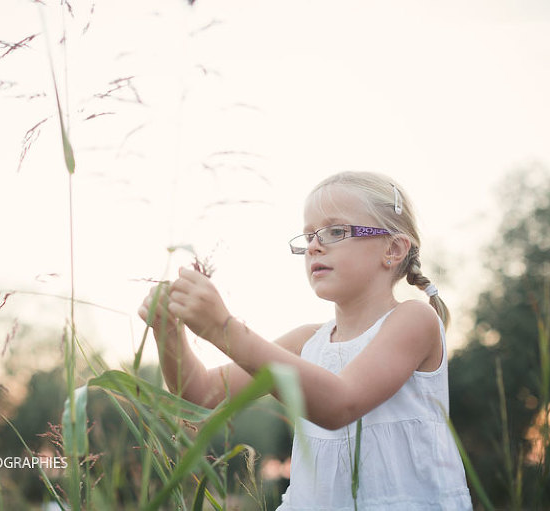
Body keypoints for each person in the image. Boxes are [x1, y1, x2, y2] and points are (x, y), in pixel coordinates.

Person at [138, 171, 473, 509]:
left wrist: (222, 329)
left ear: (393, 248)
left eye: (335, 231)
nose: (314, 245)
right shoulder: (305, 341)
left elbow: (341, 404)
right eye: (309, 235)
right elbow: (200, 394)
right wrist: (167, 333)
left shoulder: (414, 319)